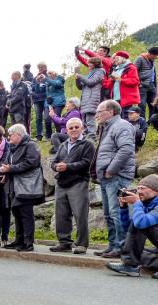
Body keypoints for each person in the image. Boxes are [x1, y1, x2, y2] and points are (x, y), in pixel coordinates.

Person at [92, 100, 136, 259]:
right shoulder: (107, 127)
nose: (96, 115)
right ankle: (113, 245)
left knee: (117, 213)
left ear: (111, 112)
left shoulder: (121, 125)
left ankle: (122, 247)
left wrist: (110, 170)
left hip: (116, 177)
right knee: (108, 213)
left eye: (99, 111)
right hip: (106, 178)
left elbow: (126, 149)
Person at [49, 118, 95, 254]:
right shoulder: (63, 145)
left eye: (76, 127)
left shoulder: (88, 144)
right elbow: (54, 162)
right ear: (67, 130)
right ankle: (64, 242)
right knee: (61, 214)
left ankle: (81, 244)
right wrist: (56, 166)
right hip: (62, 183)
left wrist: (67, 166)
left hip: (79, 182)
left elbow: (87, 163)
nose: (74, 129)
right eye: (71, 128)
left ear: (82, 128)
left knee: (80, 214)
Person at [105, 174, 158, 279]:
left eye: (143, 188)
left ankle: (130, 265)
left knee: (140, 222)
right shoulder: (147, 205)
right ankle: (130, 265)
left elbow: (140, 223)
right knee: (139, 254)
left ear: (156, 191)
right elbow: (129, 228)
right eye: (138, 188)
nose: (139, 192)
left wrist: (137, 203)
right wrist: (123, 207)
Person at [2, 124, 45, 252]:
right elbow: (9, 163)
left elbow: (32, 162)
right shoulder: (13, 147)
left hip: (26, 185)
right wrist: (5, 172)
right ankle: (19, 240)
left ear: (19, 134)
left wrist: (11, 169)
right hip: (14, 185)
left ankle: (28, 242)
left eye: (11, 135)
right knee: (17, 213)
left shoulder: (30, 145)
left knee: (26, 213)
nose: (9, 137)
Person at [103, 51, 140, 118]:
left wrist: (121, 80)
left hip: (127, 98)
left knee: (126, 117)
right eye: (114, 58)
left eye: (116, 58)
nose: (115, 60)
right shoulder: (116, 69)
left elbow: (135, 81)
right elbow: (108, 85)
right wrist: (110, 80)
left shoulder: (131, 68)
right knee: (117, 117)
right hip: (116, 98)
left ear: (122, 58)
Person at [76, 56, 105, 137]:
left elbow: (91, 82)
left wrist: (81, 76)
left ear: (95, 64)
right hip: (86, 98)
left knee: (90, 119)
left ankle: (92, 136)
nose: (88, 64)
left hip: (92, 97)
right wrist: (77, 79)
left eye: (90, 63)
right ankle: (86, 137)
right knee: (84, 119)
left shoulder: (100, 71)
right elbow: (80, 87)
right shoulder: (90, 73)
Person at [133, 47, 158, 119]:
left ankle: (151, 121)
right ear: (150, 54)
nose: (156, 57)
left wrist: (155, 86)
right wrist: (138, 83)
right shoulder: (139, 59)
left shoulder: (153, 60)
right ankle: (142, 121)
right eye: (155, 55)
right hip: (142, 86)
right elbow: (134, 71)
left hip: (152, 86)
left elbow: (154, 73)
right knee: (142, 105)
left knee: (153, 104)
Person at [31, 62, 49, 140]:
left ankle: (48, 135)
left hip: (46, 98)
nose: (40, 69)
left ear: (45, 67)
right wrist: (37, 82)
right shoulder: (35, 78)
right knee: (38, 117)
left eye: (42, 67)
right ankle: (39, 136)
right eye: (39, 67)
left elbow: (50, 86)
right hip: (37, 100)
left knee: (47, 117)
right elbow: (33, 89)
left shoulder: (48, 76)